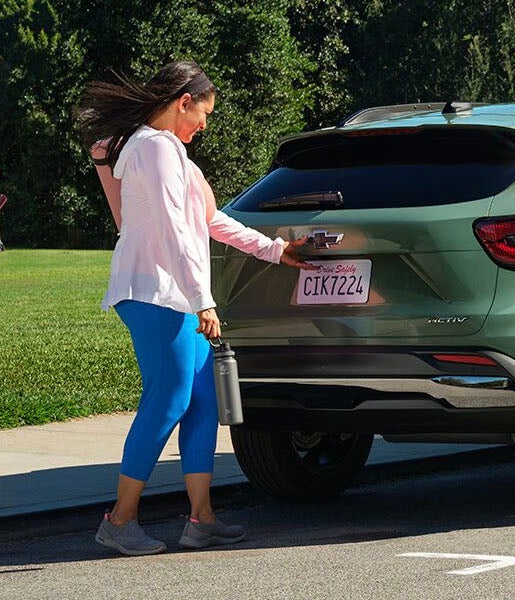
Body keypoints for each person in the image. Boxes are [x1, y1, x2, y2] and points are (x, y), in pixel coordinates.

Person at [76, 60, 314, 556]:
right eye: (203, 114)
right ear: (183, 103)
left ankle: (201, 519)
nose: (204, 125)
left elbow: (209, 221)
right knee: (167, 399)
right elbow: (173, 231)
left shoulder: (172, 154)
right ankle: (119, 521)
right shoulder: (154, 149)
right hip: (154, 292)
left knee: (202, 399)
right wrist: (203, 300)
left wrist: (274, 250)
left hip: (172, 294)